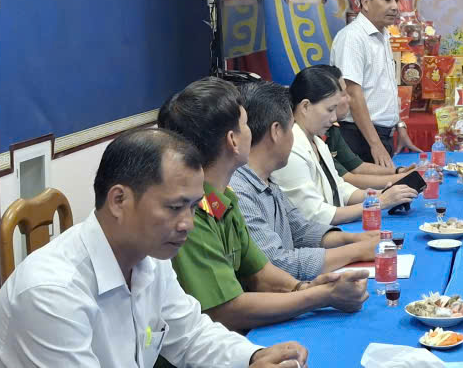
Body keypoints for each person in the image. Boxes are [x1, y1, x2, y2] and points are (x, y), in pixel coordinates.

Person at [0, 128, 308, 368]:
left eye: (193, 207)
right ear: (119, 200)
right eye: (174, 207)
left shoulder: (150, 259)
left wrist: (251, 356)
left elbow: (190, 335)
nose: (188, 224)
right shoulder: (50, 293)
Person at [156, 77, 369, 342]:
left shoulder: (223, 199)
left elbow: (261, 272)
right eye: (246, 124)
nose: (252, 132)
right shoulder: (191, 215)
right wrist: (319, 296)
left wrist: (303, 287)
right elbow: (225, 310)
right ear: (233, 141)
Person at [231, 80, 381, 280]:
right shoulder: (238, 192)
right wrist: (357, 251)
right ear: (276, 131)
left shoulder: (266, 180)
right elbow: (277, 264)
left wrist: (353, 238)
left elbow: (301, 229)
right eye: (291, 127)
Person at [272, 66, 417, 225]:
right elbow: (315, 214)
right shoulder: (290, 149)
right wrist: (380, 202)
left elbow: (340, 189)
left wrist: (382, 194)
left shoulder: (317, 142)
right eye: (329, 109)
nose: (334, 117)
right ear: (305, 106)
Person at [331, 0, 420, 168]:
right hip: (359, 136)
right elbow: (353, 94)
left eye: (396, 0)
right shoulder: (352, 38)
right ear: (365, 3)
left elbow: (384, 87)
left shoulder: (383, 35)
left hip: (381, 135)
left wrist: (399, 125)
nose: (395, 7)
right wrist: (375, 144)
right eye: (387, 0)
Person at [314, 64, 416, 190]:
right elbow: (348, 179)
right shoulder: (310, 137)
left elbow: (358, 167)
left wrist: (398, 171)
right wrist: (405, 178)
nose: (349, 99)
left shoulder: (332, 130)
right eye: (344, 94)